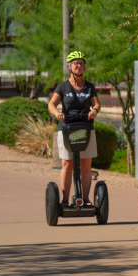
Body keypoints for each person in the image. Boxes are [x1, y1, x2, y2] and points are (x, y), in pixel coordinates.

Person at [48, 50, 102, 207]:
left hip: (86, 128)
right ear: (69, 67)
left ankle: (85, 199)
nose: (79, 66)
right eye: (76, 63)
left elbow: (97, 104)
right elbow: (51, 104)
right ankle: (64, 200)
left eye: (81, 63)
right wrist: (58, 113)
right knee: (67, 163)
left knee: (86, 164)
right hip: (67, 128)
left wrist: (94, 111)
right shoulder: (62, 87)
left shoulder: (89, 87)